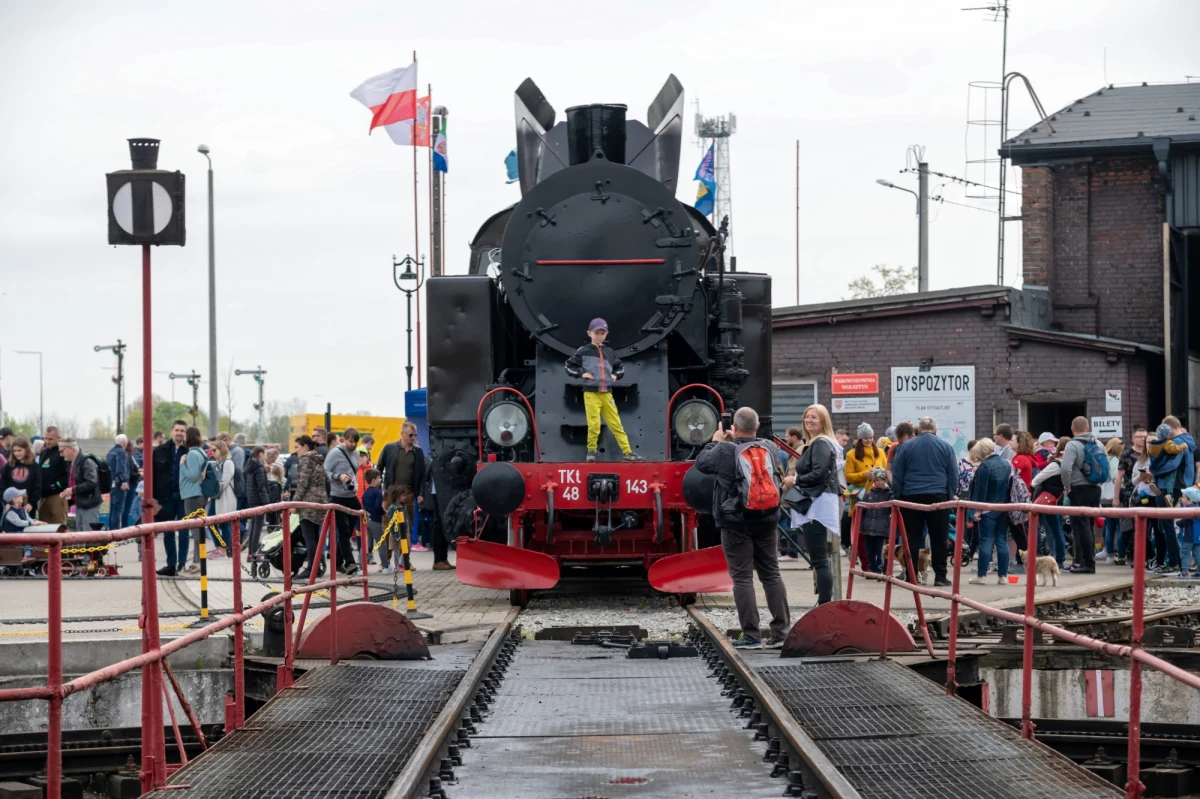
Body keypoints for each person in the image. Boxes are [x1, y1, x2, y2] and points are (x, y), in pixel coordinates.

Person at [695, 406, 789, 649]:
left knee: (742, 578)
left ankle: (751, 636)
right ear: (757, 426)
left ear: (734, 428)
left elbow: (702, 464)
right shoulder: (770, 447)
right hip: (768, 519)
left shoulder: (725, 450)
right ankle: (781, 633)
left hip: (735, 522)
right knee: (771, 573)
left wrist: (715, 441)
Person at [563, 317, 644, 463]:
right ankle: (591, 452)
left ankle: (627, 452)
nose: (600, 335)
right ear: (589, 333)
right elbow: (569, 366)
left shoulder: (610, 352)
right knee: (594, 425)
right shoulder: (583, 351)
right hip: (591, 393)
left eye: (603, 333)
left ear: (606, 334)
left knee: (616, 424)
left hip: (606, 393)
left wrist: (615, 375)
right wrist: (581, 374)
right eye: (597, 332)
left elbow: (620, 367)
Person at [890, 416, 958, 587]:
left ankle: (911, 576)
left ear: (918, 430)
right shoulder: (946, 447)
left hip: (911, 497)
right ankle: (940, 576)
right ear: (935, 429)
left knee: (911, 537)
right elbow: (953, 476)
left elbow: (897, 475)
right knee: (939, 538)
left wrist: (898, 497)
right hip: (938, 496)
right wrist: (948, 497)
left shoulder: (905, 447)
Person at [784, 404, 840, 606]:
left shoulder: (821, 444)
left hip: (816, 505)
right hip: (816, 503)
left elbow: (819, 473)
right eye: (807, 416)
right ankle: (824, 601)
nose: (809, 420)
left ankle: (824, 604)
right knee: (818, 558)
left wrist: (794, 480)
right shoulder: (816, 443)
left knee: (819, 559)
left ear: (823, 420)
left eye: (814, 417)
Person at [1061, 417, 1105, 574]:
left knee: (1081, 526)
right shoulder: (1099, 444)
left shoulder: (1072, 444)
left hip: (1078, 489)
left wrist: (1067, 487)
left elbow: (1065, 468)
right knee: (1089, 526)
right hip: (1095, 489)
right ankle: (1086, 561)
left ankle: (1088, 564)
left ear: (1073, 429)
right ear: (1088, 427)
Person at [966, 438, 1011, 585]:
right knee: (1001, 540)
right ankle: (1003, 576)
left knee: (986, 541)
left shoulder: (984, 467)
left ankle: (981, 576)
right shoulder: (1006, 463)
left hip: (987, 509)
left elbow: (981, 491)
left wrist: (977, 511)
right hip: (1003, 508)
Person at [324, 427, 362, 574]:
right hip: (337, 495)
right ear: (344, 440)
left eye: (355, 442)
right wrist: (339, 476)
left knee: (354, 522)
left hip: (351, 495)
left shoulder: (357, 453)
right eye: (350, 442)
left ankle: (338, 560)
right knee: (344, 530)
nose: (353, 445)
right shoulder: (335, 453)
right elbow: (325, 471)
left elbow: (354, 470)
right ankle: (350, 563)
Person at [154, 421, 189, 575]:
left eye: (182, 431)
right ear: (171, 431)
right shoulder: (160, 451)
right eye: (177, 430)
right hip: (165, 497)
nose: (179, 433)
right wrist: (153, 499)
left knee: (183, 530)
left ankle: (182, 563)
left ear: (185, 433)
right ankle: (171, 564)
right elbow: (152, 475)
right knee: (167, 531)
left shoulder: (190, 451)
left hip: (183, 497)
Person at [291, 435, 329, 577]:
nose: (296, 451)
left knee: (309, 537)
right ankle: (317, 566)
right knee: (315, 536)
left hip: (308, 502)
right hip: (320, 500)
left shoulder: (306, 459)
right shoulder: (318, 459)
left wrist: (295, 502)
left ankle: (311, 568)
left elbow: (303, 483)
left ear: (305, 446)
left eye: (297, 447)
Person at [1032, 436, 1071, 567]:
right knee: (1057, 530)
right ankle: (1058, 559)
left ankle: (1057, 560)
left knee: (1053, 531)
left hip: (1048, 500)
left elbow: (1035, 480)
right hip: (1058, 500)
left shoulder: (1056, 465)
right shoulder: (1070, 465)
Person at [176, 427, 210, 574]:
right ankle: (198, 561)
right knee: (199, 530)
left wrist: (182, 464)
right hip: (200, 494)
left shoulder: (191, 454)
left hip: (192, 495)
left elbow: (192, 475)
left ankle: (197, 563)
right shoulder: (202, 452)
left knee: (196, 532)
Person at [1114, 427, 1147, 565]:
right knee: (1128, 527)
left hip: (1146, 493)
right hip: (1130, 493)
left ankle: (1144, 556)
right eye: (1139, 436)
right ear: (1133, 438)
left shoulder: (1149, 454)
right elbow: (1119, 476)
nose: (1143, 439)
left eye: (1145, 437)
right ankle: (1125, 555)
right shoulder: (1127, 455)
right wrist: (1115, 498)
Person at [60, 438, 103, 533]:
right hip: (80, 503)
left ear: (70, 448)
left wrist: (72, 490)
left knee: (89, 535)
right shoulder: (72, 462)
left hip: (89, 503)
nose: (61, 454)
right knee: (81, 533)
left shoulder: (86, 461)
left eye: (62, 451)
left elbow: (91, 482)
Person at [1009, 431, 1037, 564]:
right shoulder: (1027, 458)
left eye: (1013, 440)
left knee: (1020, 532)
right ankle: (1022, 559)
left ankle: (1024, 561)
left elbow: (1009, 476)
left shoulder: (1019, 459)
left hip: (1017, 499)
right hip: (1024, 497)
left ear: (1020, 443)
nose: (1010, 442)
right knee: (1021, 531)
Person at [859, 467, 893, 574]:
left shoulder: (888, 494)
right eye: (877, 480)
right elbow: (863, 512)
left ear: (885, 480)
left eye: (882, 480)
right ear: (874, 481)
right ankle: (872, 569)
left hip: (881, 528)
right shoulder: (869, 494)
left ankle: (879, 570)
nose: (880, 482)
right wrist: (861, 526)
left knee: (880, 551)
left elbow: (892, 506)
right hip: (868, 527)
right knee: (869, 551)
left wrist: (890, 489)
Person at [778, 426, 804, 561]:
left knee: (791, 522)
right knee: (790, 522)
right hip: (790, 493)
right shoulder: (795, 451)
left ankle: (792, 553)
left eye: (787, 436)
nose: (785, 439)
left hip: (793, 493)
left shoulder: (800, 451)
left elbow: (794, 472)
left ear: (794, 437)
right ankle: (791, 552)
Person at [37, 426, 69, 525]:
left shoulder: (63, 452)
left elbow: (67, 474)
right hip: (43, 497)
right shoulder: (44, 452)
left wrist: (56, 485)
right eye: (45, 438)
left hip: (57, 496)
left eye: (50, 439)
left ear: (58, 438)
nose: (47, 441)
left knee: (58, 526)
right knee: (43, 528)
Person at [1, 436, 41, 518]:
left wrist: (31, 503)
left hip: (28, 507)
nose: (17, 453)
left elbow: (38, 487)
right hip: (11, 507)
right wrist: (6, 503)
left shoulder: (34, 466)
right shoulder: (8, 467)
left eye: (19, 450)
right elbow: (2, 486)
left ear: (26, 450)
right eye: (14, 451)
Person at [209, 440, 236, 558]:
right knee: (211, 522)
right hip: (217, 497)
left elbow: (224, 481)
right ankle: (219, 547)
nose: (212, 452)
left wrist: (213, 489)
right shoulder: (216, 463)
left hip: (225, 497)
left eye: (214, 450)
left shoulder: (228, 463)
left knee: (224, 524)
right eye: (211, 450)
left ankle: (223, 549)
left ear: (221, 449)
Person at [1099, 438, 1124, 563]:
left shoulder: (1103, 459)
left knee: (1108, 526)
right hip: (1112, 497)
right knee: (1116, 527)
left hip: (1103, 496)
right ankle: (1113, 554)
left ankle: (1106, 551)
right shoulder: (1115, 460)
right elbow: (1116, 478)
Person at [244, 446, 270, 555]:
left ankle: (251, 552)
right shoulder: (259, 467)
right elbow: (261, 486)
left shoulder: (251, 466)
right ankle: (254, 552)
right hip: (259, 500)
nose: (266, 456)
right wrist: (267, 503)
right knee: (257, 527)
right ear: (260, 454)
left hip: (252, 499)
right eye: (265, 454)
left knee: (253, 526)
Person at [2, 487, 36, 562]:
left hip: (20, 532)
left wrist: (35, 522)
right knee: (27, 538)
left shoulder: (22, 510)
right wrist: (31, 523)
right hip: (13, 534)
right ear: (14, 499)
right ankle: (27, 556)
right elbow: (19, 523)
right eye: (20, 496)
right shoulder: (10, 513)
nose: (22, 497)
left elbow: (28, 519)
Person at [105, 435, 131, 531]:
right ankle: (115, 531)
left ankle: (112, 528)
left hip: (111, 483)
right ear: (124, 443)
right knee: (118, 508)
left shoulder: (110, 452)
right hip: (119, 484)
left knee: (112, 507)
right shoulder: (122, 453)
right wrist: (124, 481)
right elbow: (121, 468)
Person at [362, 468, 384, 568]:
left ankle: (362, 566)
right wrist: (384, 512)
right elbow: (377, 506)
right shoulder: (378, 492)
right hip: (376, 520)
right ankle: (385, 565)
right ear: (373, 480)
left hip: (366, 520)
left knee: (366, 544)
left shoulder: (365, 493)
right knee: (381, 543)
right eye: (379, 478)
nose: (381, 480)